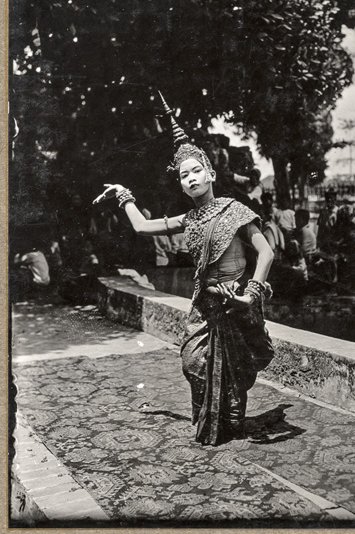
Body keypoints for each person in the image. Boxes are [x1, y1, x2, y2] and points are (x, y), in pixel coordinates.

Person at [93, 100, 274, 446]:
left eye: (195, 171)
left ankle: (230, 421)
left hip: (235, 298)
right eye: (183, 175)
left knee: (236, 368)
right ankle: (210, 417)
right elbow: (144, 227)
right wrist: (122, 194)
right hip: (204, 303)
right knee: (193, 362)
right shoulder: (188, 219)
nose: (190, 179)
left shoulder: (235, 210)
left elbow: (266, 252)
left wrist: (250, 294)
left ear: (211, 174)